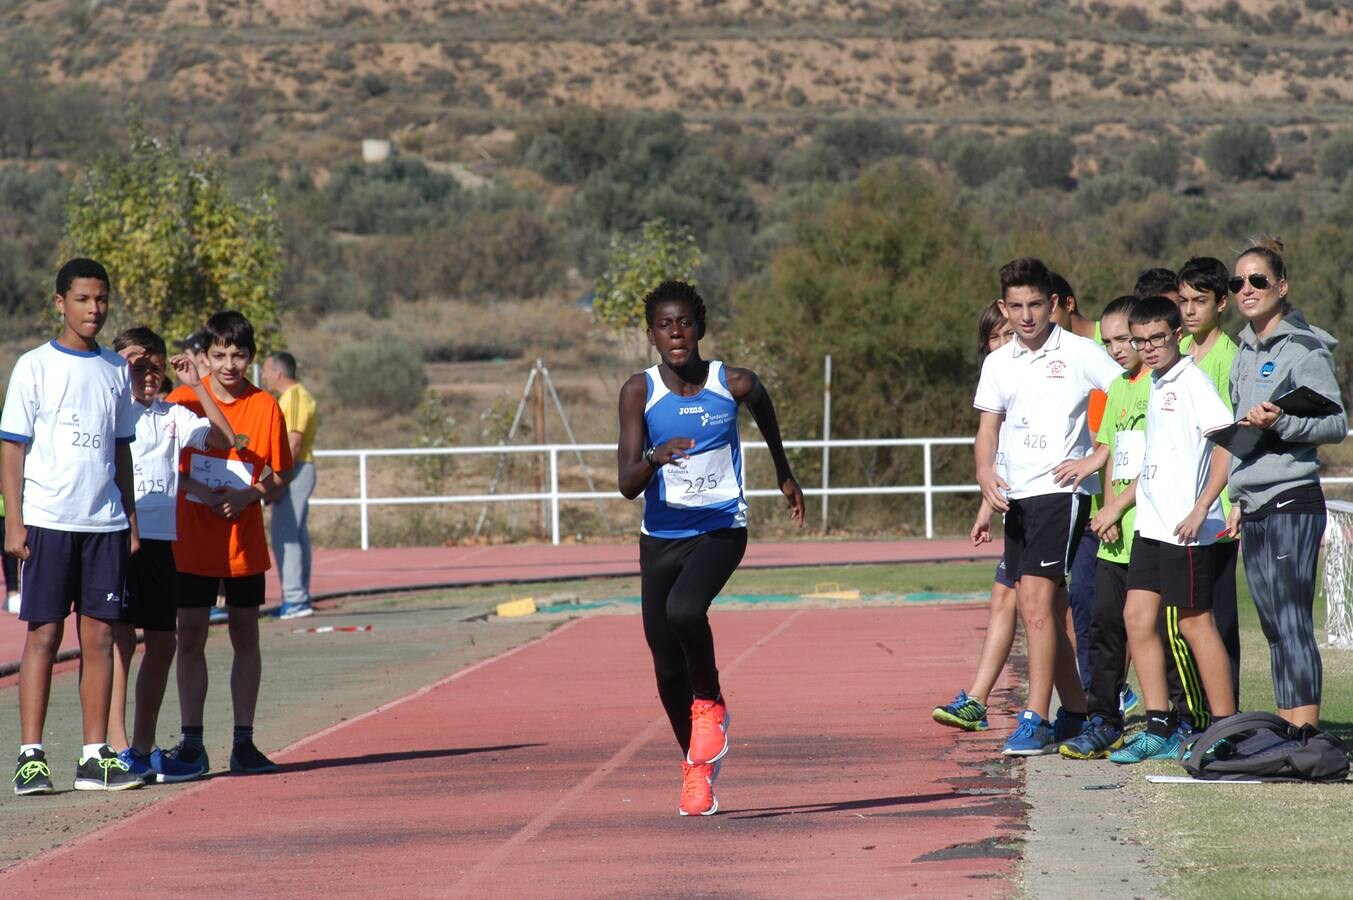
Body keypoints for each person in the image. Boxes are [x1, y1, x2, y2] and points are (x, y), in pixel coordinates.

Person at [617, 280, 804, 816]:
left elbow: (765, 412)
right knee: (664, 667)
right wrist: (656, 456)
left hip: (722, 528)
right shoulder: (639, 391)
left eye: (685, 323)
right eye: (664, 325)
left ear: (700, 328)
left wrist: (785, 475)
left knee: (685, 610)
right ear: (651, 335)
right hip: (661, 539)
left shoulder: (733, 383)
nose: (676, 333)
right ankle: (697, 769)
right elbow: (627, 483)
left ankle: (710, 702)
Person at [2, 258, 143, 794]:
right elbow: (11, 447)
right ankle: (31, 757)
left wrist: (127, 518)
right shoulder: (34, 366)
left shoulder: (114, 371)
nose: (94, 309)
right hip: (47, 521)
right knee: (43, 634)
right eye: (83, 299)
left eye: (102, 299)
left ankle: (94, 756)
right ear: (60, 302)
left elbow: (121, 450)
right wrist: (14, 521)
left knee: (101, 636)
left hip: (103, 523)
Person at [974, 257, 1122, 756]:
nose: (1027, 315)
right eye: (1016, 306)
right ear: (1003, 307)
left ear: (1053, 303)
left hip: (1060, 495)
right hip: (1016, 499)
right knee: (1046, 610)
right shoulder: (998, 362)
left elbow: (1128, 395)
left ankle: (1035, 718)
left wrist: (1096, 456)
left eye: (1036, 303)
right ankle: (1078, 711)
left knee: (1035, 604)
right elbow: (988, 429)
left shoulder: (1081, 352)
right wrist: (984, 474)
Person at [1224, 239, 1346, 728]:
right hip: (1253, 502)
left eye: (1257, 280)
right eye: (1238, 283)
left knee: (1293, 620)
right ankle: (1286, 725)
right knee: (1272, 625)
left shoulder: (1305, 349)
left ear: (1281, 286)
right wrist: (1235, 492)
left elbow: (1334, 423)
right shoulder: (1242, 351)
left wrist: (1283, 424)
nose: (1246, 290)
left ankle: (1307, 733)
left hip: (1293, 499)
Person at [1109, 296, 1237, 764]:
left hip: (1187, 529)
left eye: (1157, 338)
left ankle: (1225, 729)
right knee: (1136, 618)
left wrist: (1203, 506)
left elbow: (1228, 445)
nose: (1148, 347)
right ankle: (1159, 725)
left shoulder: (1193, 382)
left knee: (1194, 622)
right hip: (1152, 526)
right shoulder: (1156, 382)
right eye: (1139, 340)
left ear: (1177, 335)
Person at [107, 326, 236, 783]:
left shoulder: (173, 414)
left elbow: (224, 440)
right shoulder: (111, 411)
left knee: (162, 642)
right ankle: (116, 747)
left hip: (161, 542)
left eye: (154, 368)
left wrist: (198, 383)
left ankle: (142, 748)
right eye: (137, 367)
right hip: (118, 536)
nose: (146, 376)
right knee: (119, 643)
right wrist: (119, 370)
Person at [167, 311, 292, 777]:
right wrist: (190, 490)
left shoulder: (265, 407)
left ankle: (244, 742)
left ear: (252, 357)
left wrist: (250, 493)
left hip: (243, 543)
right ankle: (192, 743)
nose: (228, 364)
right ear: (204, 355)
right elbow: (162, 465)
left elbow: (280, 474)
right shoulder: (181, 400)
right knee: (191, 636)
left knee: (245, 635)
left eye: (238, 355)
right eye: (219, 354)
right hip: (193, 541)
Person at [1060, 296, 1147, 758]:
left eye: (1125, 339)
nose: (1116, 348)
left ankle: (1171, 722)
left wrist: (1116, 508)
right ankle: (1103, 722)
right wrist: (1108, 507)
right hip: (1113, 529)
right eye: (1109, 340)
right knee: (1103, 625)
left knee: (1151, 630)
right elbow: (1110, 452)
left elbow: (1155, 460)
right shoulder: (1118, 389)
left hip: (1152, 530)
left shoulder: (1160, 386)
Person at [933, 301, 1017, 731]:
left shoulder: (1037, 373)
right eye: (994, 337)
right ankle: (980, 700)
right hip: (1018, 507)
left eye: (1008, 335)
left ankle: (1104, 696)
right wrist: (986, 507)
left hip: (1063, 506)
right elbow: (999, 454)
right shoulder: (997, 383)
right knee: (1011, 598)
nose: (1001, 344)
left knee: (1059, 612)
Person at [1176, 256, 1242, 704]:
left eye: (1200, 301)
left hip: (1214, 510)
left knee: (1219, 616)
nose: (1189, 310)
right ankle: (1191, 712)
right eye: (1182, 300)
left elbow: (1231, 437)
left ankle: (1228, 716)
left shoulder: (1228, 358)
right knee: (1185, 617)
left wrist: (1233, 500)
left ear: (1222, 303)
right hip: (1178, 510)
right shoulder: (1177, 353)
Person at [262, 351, 318, 620]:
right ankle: (299, 596)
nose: (262, 376)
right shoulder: (295, 396)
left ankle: (295, 599)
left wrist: (278, 483)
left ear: (277, 372)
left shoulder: (294, 398)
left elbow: (292, 443)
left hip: (295, 470)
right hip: (297, 469)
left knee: (286, 535)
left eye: (265, 370)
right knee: (295, 534)